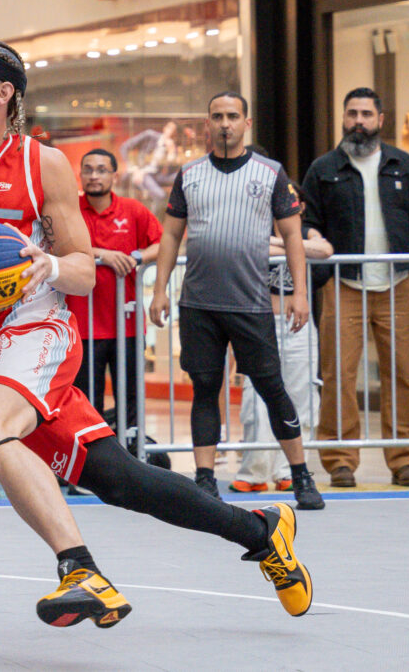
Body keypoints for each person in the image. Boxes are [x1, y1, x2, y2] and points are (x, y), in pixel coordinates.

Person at [0, 39, 315, 627]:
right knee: (119, 478)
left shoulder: (41, 164)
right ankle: (261, 532)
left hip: (38, 327)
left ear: (4, 94)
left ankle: (79, 569)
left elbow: (81, 270)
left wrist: (45, 265)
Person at [149, 92, 325, 511]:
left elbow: (293, 239)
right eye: (217, 117)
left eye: (232, 116)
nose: (225, 123)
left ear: (247, 123)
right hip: (199, 304)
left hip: (251, 303)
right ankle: (205, 480)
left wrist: (300, 293)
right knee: (205, 390)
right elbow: (171, 235)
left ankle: (300, 475)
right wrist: (159, 289)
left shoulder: (271, 173)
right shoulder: (189, 174)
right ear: (206, 124)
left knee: (272, 388)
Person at [302, 86, 409, 488]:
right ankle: (340, 460)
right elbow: (309, 224)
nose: (358, 121)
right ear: (343, 118)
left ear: (380, 120)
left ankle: (405, 460)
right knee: (339, 373)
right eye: (352, 114)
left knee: (406, 373)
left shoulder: (403, 165)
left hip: (398, 283)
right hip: (344, 283)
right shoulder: (323, 168)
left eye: (366, 114)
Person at [232, 182, 333, 493]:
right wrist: (287, 245)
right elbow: (249, 248)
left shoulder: (307, 234)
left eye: (294, 201)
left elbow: (326, 251)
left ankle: (289, 469)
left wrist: (282, 242)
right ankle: (254, 471)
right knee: (255, 399)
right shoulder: (252, 228)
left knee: (300, 394)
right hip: (260, 324)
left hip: (298, 326)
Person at [67, 148, 162, 428]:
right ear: (81, 174)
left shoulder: (133, 210)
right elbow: (57, 245)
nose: (94, 176)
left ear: (114, 176)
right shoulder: (69, 211)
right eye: (88, 170)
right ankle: (92, 465)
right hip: (81, 327)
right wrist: (102, 254)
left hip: (127, 325)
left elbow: (162, 244)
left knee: (131, 402)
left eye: (101, 170)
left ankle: (131, 459)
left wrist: (137, 258)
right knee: (85, 404)